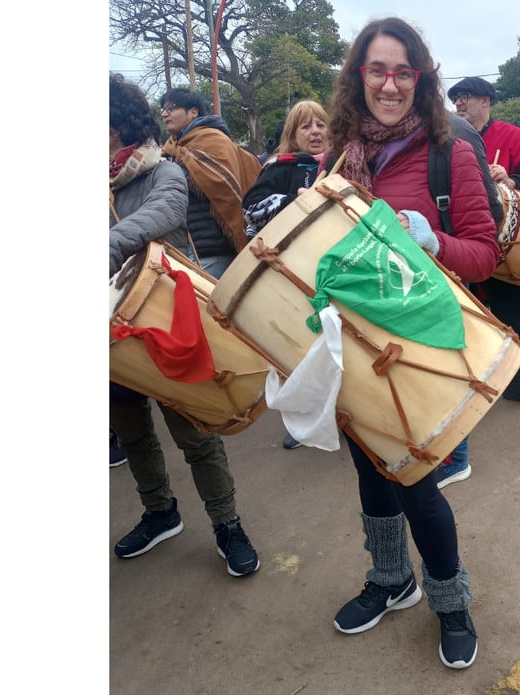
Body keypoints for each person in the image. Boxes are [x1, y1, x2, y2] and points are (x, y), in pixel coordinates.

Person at [320, 16, 500, 669]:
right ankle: (391, 578)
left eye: (402, 71)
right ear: (358, 77)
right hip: (357, 345)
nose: (389, 83)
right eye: (376, 69)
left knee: (416, 482)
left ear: (419, 79)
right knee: (369, 469)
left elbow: (484, 253)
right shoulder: (338, 160)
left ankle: (450, 600)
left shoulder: (448, 153)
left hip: (424, 348)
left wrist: (432, 239)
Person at [109, 73, 260, 576]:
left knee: (193, 430)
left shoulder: (163, 167)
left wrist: (107, 243)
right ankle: (160, 512)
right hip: (111, 331)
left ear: (118, 122)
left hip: (170, 319)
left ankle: (227, 523)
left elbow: (166, 210)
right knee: (132, 432)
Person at [447, 75, 520, 409]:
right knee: (463, 316)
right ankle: (467, 382)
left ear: (486, 101)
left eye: (466, 97)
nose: (459, 103)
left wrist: (509, 177)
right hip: (460, 243)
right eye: (456, 98)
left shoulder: (511, 136)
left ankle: (517, 380)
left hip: (504, 248)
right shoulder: (445, 136)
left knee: (510, 314)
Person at [242, 99, 329, 451]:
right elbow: (250, 209)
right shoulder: (280, 167)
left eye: (321, 124)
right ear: (293, 135)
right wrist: (294, 199)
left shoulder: (344, 163)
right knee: (300, 346)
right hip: (291, 271)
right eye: (306, 126)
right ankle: (304, 421)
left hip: (335, 268)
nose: (315, 132)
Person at [159, 88, 261, 279]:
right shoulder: (173, 148)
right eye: (163, 109)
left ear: (193, 111)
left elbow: (225, 188)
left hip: (213, 250)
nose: (165, 114)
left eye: (171, 108)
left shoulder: (213, 140)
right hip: (186, 248)